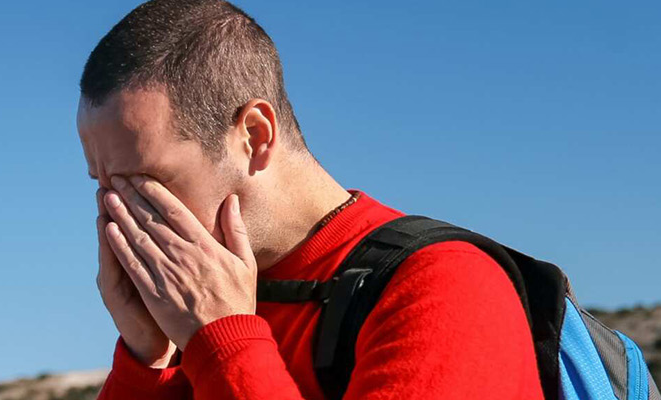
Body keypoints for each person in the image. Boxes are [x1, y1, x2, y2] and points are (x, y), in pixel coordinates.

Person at [77, 1, 544, 399]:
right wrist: (146, 363)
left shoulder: (445, 288)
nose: (117, 217)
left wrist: (224, 341)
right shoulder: (191, 314)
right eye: (104, 186)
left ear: (255, 136)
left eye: (144, 182)